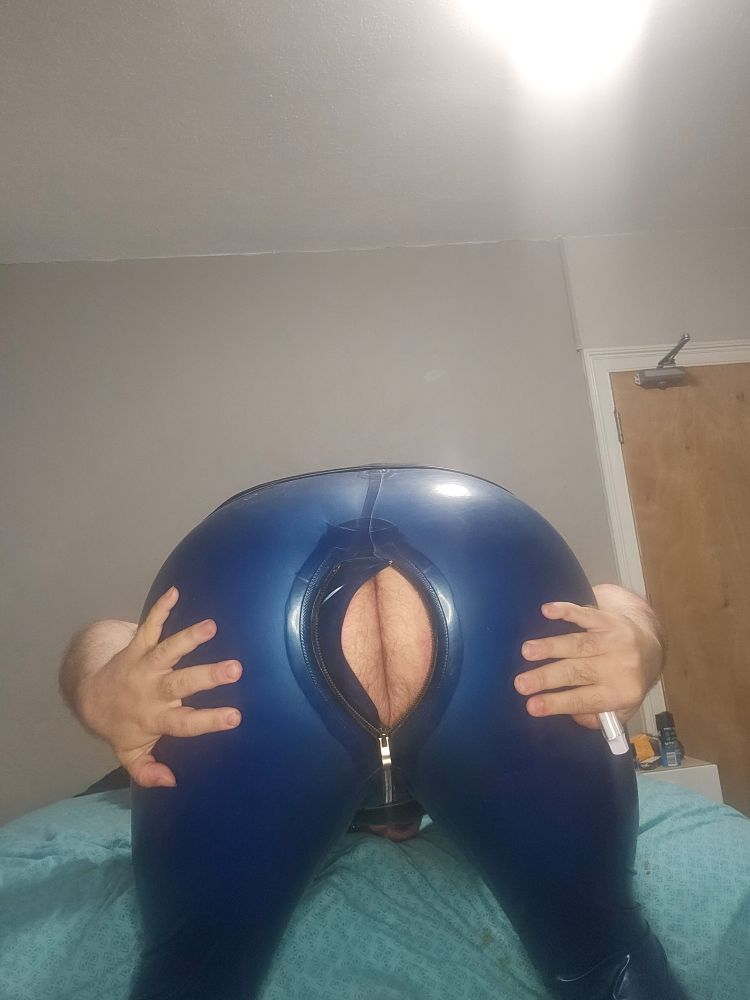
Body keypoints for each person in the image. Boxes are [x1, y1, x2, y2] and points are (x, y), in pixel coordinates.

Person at [60, 580, 664, 841]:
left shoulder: (495, 632)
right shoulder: (243, 653)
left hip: (466, 768)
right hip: (247, 768)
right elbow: (106, 636)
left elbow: (613, 599)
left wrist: (638, 642)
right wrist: (98, 692)